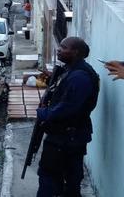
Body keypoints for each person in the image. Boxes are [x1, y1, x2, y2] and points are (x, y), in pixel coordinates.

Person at [35, 37, 100, 197]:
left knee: (50, 178)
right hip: (67, 136)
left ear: (75, 52)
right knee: (69, 178)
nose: (59, 49)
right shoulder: (71, 70)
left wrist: (44, 113)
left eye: (63, 47)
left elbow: (68, 108)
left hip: (66, 138)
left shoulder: (80, 76)